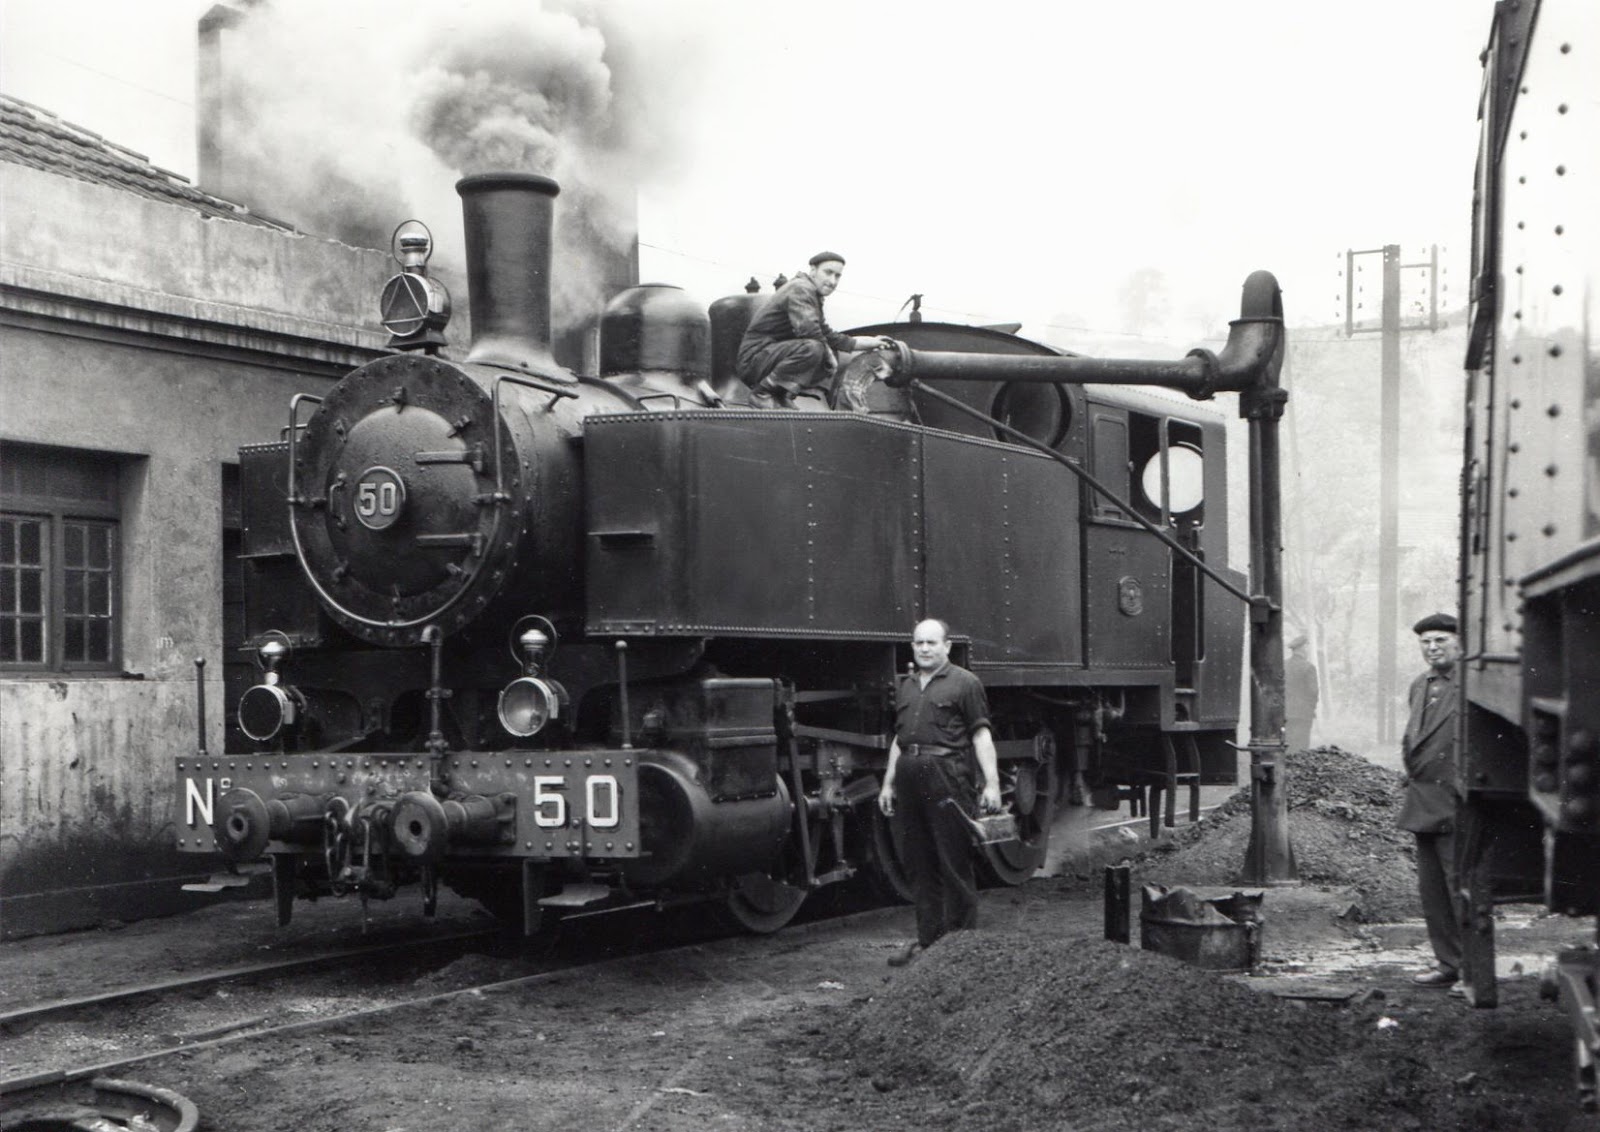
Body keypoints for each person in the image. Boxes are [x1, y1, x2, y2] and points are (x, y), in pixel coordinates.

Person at [878, 619, 1004, 966]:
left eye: (932, 643)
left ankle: (961, 949)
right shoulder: (905, 686)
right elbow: (898, 740)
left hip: (947, 775)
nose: (924, 649)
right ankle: (928, 943)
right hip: (908, 774)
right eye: (918, 643)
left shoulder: (966, 683)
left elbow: (981, 736)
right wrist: (888, 782)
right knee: (918, 864)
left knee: (953, 862)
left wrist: (992, 784)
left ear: (947, 646)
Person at [1397, 612, 1464, 988]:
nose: (1432, 648)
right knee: (1433, 891)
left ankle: (1472, 969)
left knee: (1460, 888)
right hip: (1423, 799)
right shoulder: (1419, 685)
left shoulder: (1472, 685)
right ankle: (1448, 963)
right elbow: (1414, 737)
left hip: (1457, 802)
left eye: (1440, 640)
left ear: (1459, 643)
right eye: (1426, 642)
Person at [735, 252, 896, 409]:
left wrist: (870, 342)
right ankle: (762, 393)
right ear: (813, 270)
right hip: (754, 360)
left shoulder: (811, 294)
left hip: (769, 357)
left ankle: (780, 394)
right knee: (815, 348)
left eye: (837, 276)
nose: (832, 281)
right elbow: (809, 330)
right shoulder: (801, 288)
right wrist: (829, 357)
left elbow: (827, 334)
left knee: (820, 348)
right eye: (828, 273)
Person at [1284, 634, 1319, 752]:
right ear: (1302, 648)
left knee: (1288, 744)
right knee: (1301, 746)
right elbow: (1313, 692)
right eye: (1307, 646)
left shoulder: (1283, 665)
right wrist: (1311, 708)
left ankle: (1287, 768)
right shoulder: (1309, 667)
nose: (1308, 650)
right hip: (1303, 713)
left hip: (1286, 712)